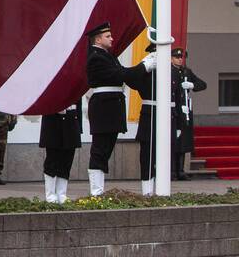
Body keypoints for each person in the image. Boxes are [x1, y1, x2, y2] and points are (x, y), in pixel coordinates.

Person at [86, 21, 153, 196]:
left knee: (106, 148)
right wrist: (143, 66)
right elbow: (119, 74)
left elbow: (126, 76)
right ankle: (96, 191)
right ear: (98, 39)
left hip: (112, 107)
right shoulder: (96, 57)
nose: (112, 38)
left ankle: (98, 190)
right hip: (103, 107)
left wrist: (142, 70)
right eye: (108, 36)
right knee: (100, 149)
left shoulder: (109, 56)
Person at [132, 43, 184, 196]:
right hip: (150, 116)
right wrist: (144, 67)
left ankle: (163, 190)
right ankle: (147, 190)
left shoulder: (173, 73)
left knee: (167, 155)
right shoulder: (146, 72)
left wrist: (179, 124)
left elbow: (178, 99)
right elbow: (131, 80)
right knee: (148, 156)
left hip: (170, 117)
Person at [174, 48, 206, 180]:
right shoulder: (169, 71)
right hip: (173, 109)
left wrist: (192, 85)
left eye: (182, 57)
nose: (180, 59)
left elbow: (202, 84)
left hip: (184, 110)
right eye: (177, 57)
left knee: (183, 142)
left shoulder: (187, 71)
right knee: (173, 141)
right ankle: (171, 171)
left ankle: (180, 171)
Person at [40, 101, 81, 203]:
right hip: (53, 120)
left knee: (66, 160)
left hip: (71, 119)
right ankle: (50, 195)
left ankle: (61, 194)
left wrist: (78, 126)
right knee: (52, 160)